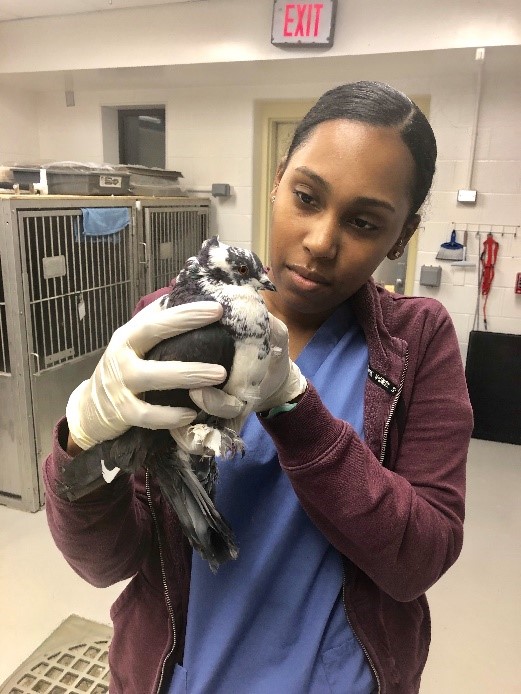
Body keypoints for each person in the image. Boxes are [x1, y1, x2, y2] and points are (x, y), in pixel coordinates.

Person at [44, 81, 473, 694]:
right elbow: (105, 561)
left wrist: (292, 405)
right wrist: (84, 437)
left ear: (401, 236)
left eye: (364, 222)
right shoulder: (166, 324)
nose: (322, 241)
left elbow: (420, 558)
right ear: (277, 181)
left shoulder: (419, 341)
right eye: (306, 197)